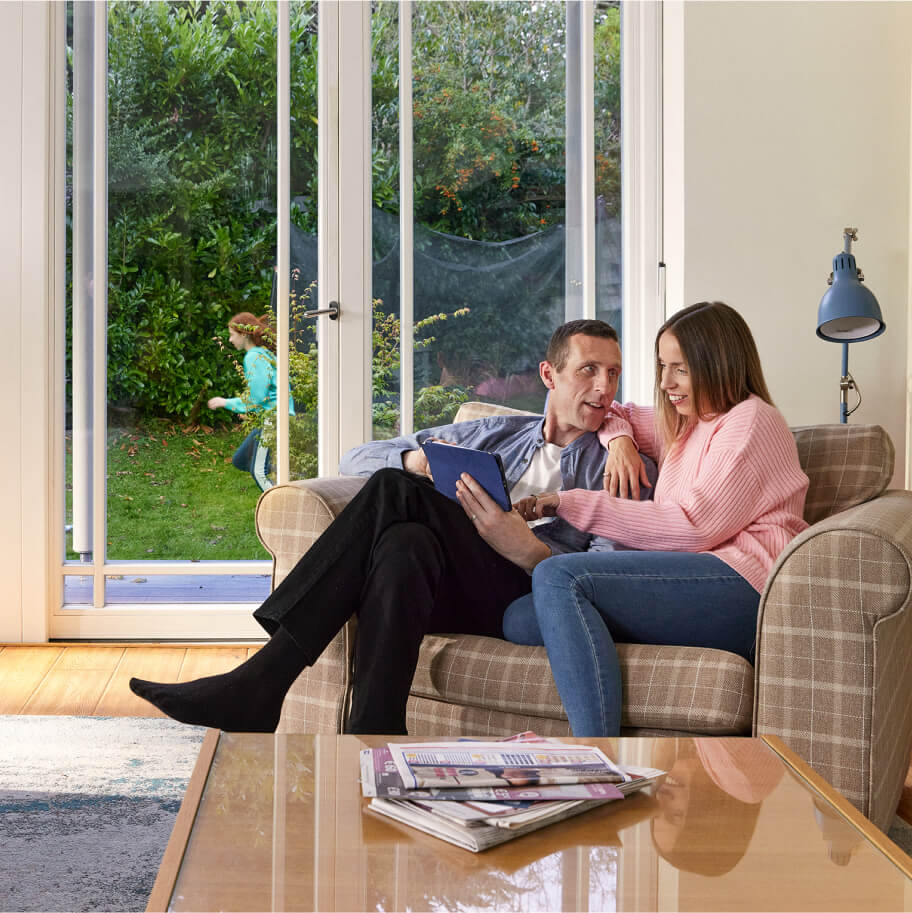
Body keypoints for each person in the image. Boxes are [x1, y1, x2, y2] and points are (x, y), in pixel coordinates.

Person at [129, 319, 654, 734]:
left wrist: (527, 551)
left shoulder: (617, 465)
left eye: (613, 373)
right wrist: (417, 463)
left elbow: (608, 578)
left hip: (526, 593)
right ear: (550, 375)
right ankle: (375, 729)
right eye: (589, 370)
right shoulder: (498, 432)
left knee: (392, 493)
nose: (604, 386)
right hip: (449, 581)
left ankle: (263, 680)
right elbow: (357, 457)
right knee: (405, 539)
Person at [499, 301, 809, 737]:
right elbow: (613, 413)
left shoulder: (751, 421)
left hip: (745, 585)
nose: (665, 384)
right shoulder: (687, 420)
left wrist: (567, 501)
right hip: (694, 581)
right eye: (662, 367)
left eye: (679, 369)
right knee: (521, 617)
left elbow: (692, 527)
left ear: (717, 363)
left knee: (557, 578)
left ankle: (597, 755)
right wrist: (621, 442)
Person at [208, 312, 295, 492]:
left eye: (232, 335)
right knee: (241, 459)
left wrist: (224, 402)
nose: (230, 340)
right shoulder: (262, 353)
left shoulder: (254, 357)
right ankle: (289, 480)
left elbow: (257, 398)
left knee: (259, 472)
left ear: (244, 334)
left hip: (275, 418)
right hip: (273, 416)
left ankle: (281, 505)